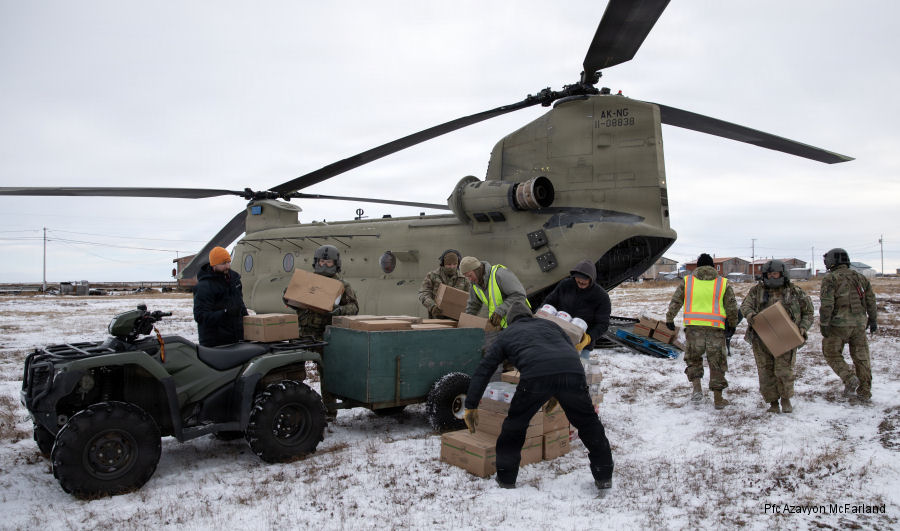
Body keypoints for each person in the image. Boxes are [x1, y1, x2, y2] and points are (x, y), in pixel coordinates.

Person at [463, 301, 614, 491]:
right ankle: (604, 475)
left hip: (536, 377)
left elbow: (484, 369)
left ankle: (506, 479)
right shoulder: (551, 325)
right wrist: (558, 392)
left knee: (515, 426)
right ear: (531, 316)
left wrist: (471, 405)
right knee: (589, 423)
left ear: (510, 322)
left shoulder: (507, 334)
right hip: (572, 372)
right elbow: (568, 351)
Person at [665, 253, 739, 409]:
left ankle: (697, 389)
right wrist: (732, 324)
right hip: (716, 330)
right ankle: (718, 399)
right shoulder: (723, 283)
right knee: (717, 362)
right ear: (713, 266)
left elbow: (676, 301)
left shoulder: (688, 282)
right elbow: (731, 306)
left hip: (694, 329)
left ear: (697, 266)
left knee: (693, 359)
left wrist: (670, 319)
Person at [740, 260, 813, 413]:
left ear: (782, 274)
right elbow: (745, 305)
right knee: (765, 373)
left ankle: (785, 400)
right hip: (761, 338)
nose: (772, 277)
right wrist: (750, 315)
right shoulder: (757, 291)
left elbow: (808, 312)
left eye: (775, 274)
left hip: (785, 337)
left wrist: (803, 328)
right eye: (769, 274)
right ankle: (773, 403)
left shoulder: (794, 291)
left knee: (784, 371)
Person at [819, 248, 878, 402]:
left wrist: (824, 323)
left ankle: (849, 378)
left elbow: (827, 303)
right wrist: (873, 319)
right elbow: (871, 299)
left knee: (831, 353)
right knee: (861, 357)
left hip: (838, 325)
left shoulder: (831, 278)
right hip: (859, 324)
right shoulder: (860, 277)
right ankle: (865, 391)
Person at [287, 244, 359, 341]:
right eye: (322, 261)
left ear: (336, 263)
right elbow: (298, 303)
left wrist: (340, 310)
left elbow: (354, 308)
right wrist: (287, 297)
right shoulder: (307, 281)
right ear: (316, 262)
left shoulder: (342, 285)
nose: (324, 265)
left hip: (325, 337)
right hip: (303, 334)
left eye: (328, 262)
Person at [542, 259, 611, 351]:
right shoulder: (565, 285)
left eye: (584, 281)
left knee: (579, 364)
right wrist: (541, 313)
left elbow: (603, 324)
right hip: (557, 336)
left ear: (592, 278)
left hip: (582, 344)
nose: (581, 283)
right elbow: (549, 302)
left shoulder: (601, 296)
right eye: (578, 281)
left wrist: (588, 338)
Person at [193, 246, 248, 347]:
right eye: (223, 263)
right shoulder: (204, 287)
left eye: (228, 262)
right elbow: (200, 316)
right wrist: (225, 313)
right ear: (214, 265)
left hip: (236, 339)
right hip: (215, 343)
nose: (227, 266)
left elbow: (241, 305)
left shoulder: (234, 280)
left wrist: (248, 323)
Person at [459, 256, 529, 328]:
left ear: (477, 270)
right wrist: (466, 322)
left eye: (470, 275)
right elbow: (473, 305)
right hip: (499, 328)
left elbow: (519, 295)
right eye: (467, 277)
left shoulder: (500, 274)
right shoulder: (475, 284)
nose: (470, 280)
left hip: (518, 322)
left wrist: (500, 311)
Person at [418, 249, 470, 318]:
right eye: (449, 264)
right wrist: (432, 306)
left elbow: (470, 299)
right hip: (436, 319)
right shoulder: (432, 276)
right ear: (443, 264)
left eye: (454, 264)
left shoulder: (464, 279)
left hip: (456, 321)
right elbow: (423, 294)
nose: (452, 267)